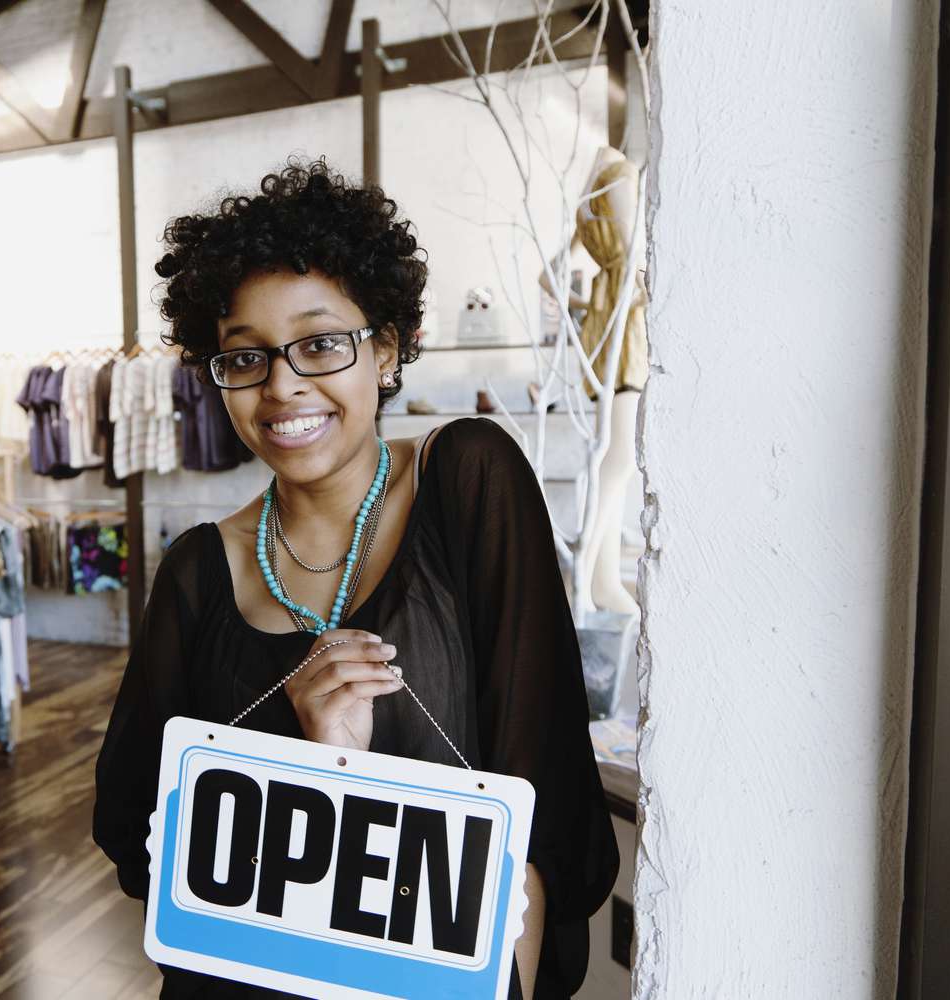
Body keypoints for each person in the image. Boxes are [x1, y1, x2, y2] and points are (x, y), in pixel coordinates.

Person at [93, 158, 618, 999]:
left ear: (387, 347)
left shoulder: (468, 483)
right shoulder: (199, 570)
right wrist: (312, 763)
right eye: (244, 357)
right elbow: (137, 833)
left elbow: (540, 805)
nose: (282, 385)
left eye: (321, 342)